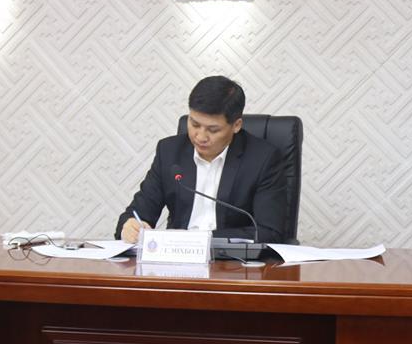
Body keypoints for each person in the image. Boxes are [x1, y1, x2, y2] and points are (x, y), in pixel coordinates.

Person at [115, 76, 289, 244]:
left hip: (231, 260)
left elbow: (269, 232)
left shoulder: (263, 159)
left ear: (236, 125)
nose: (200, 136)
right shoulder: (169, 152)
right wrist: (129, 226)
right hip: (177, 259)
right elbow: (137, 213)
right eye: (194, 124)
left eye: (213, 130)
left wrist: (200, 240)